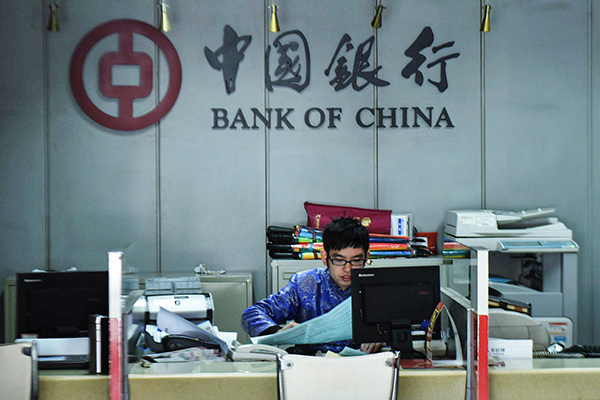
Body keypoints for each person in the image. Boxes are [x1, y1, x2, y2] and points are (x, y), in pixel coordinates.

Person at [241, 217, 383, 355]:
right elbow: (252, 313)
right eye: (339, 260)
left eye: (356, 261)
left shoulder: (376, 287)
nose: (347, 269)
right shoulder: (305, 284)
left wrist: (382, 336)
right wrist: (276, 331)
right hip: (311, 363)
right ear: (324, 257)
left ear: (366, 257)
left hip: (360, 364)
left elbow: (402, 325)